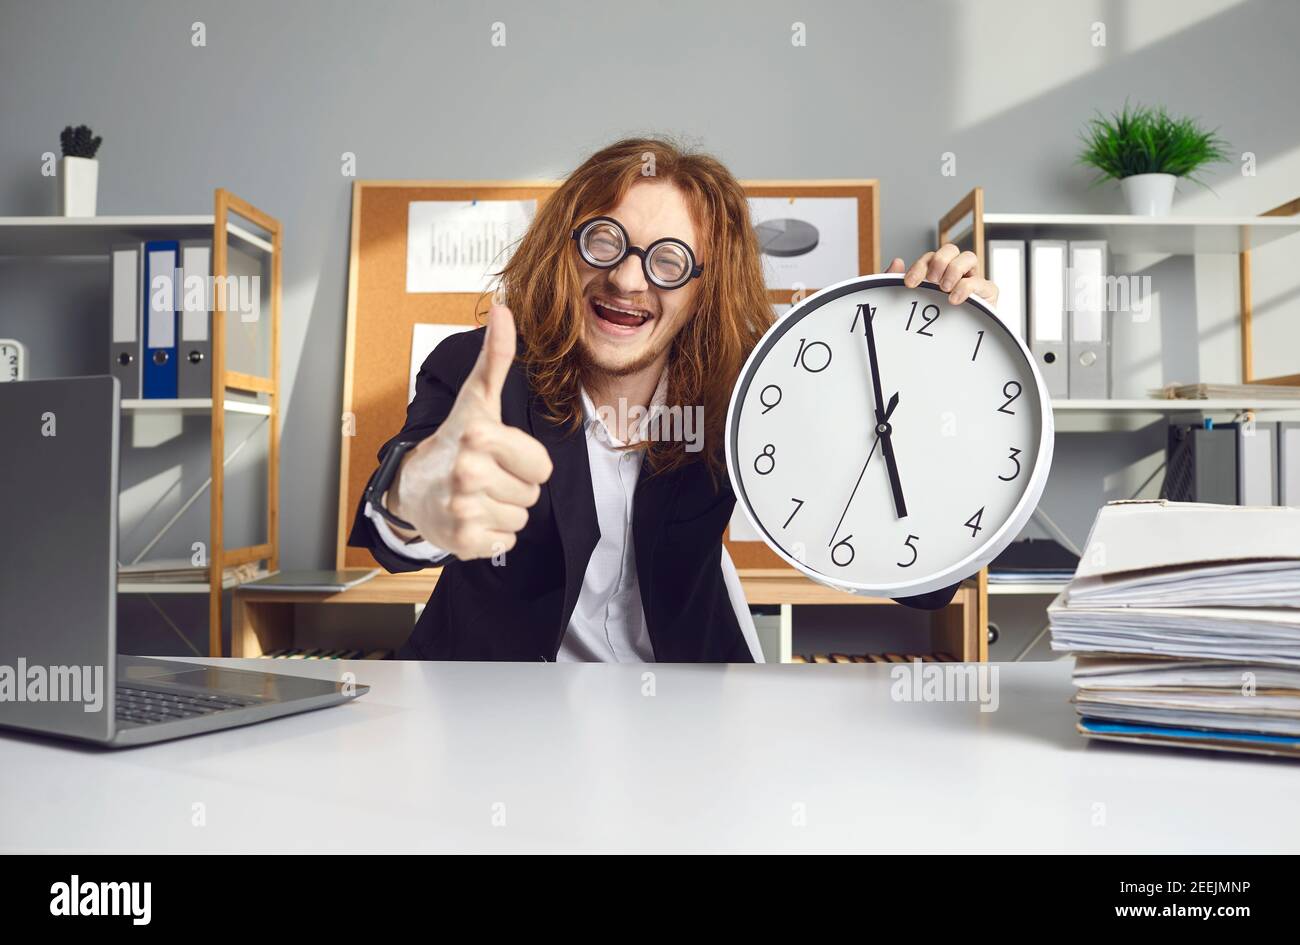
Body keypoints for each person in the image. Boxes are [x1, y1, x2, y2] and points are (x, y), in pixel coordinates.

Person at [348, 136, 999, 661]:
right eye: (603, 240)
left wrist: (932, 369)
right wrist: (413, 499)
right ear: (562, 250)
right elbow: (399, 513)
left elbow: (925, 585)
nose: (627, 278)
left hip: (686, 711)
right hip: (492, 712)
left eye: (669, 260)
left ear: (702, 288)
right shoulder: (480, 366)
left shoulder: (749, 392)